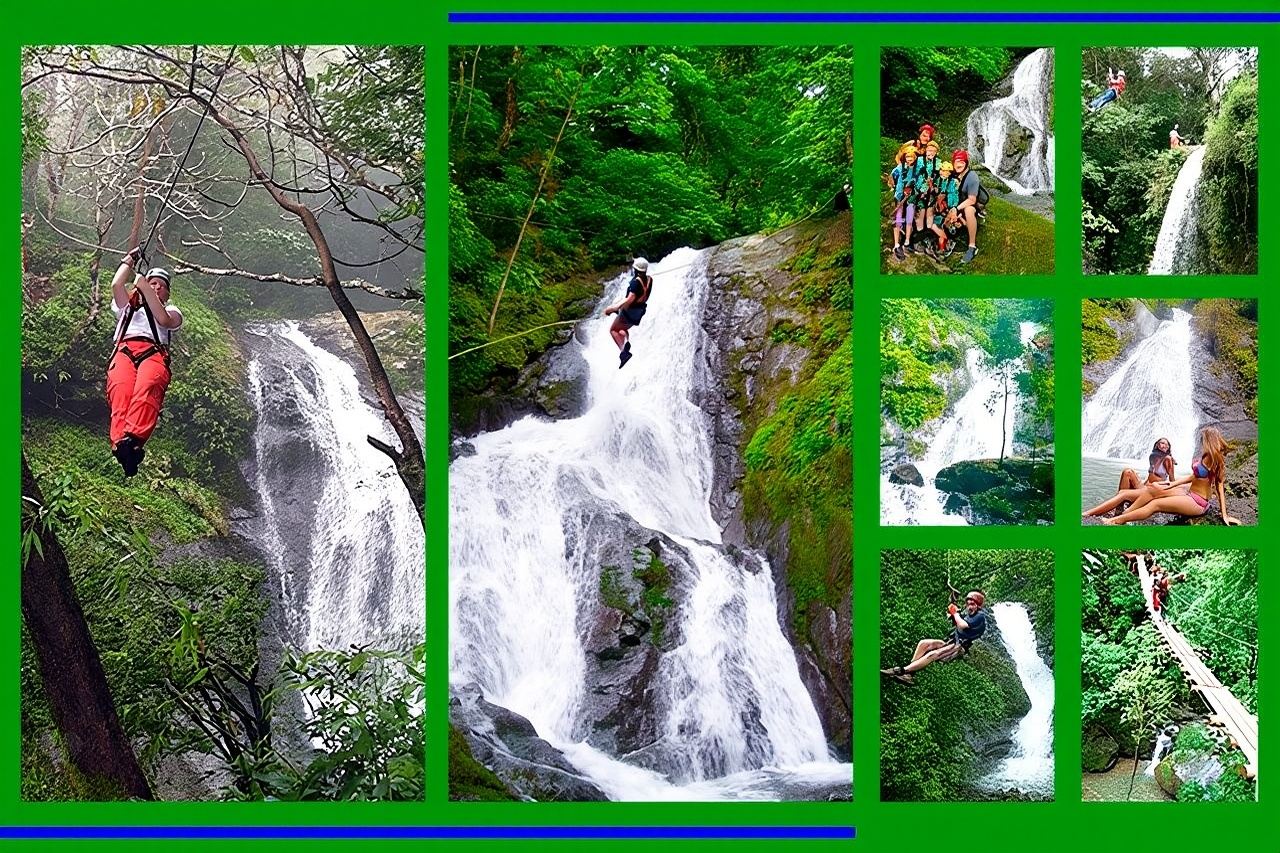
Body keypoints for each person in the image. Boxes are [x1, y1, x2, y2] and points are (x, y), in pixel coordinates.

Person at [106, 247, 184, 477]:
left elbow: (163, 319)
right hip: (125, 350)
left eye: (161, 285)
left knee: (147, 387)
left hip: (153, 353)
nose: (156, 286)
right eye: (153, 282)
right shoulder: (127, 307)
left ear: (167, 294)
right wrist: (129, 260)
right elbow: (116, 286)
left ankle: (134, 440)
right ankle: (121, 445)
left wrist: (144, 286)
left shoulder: (172, 310)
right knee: (121, 392)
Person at [1096, 427, 1241, 525]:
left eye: (1203, 439)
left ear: (1209, 440)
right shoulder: (1205, 455)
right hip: (1189, 492)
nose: (1201, 442)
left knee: (1155, 504)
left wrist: (1224, 515)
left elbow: (1219, 486)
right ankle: (1125, 514)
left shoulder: (1216, 459)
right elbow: (1194, 476)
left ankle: (1116, 521)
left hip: (1198, 502)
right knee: (1153, 491)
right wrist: (1171, 484)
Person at [881, 590, 988, 684]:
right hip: (951, 641)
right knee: (924, 644)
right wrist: (953, 614)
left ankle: (900, 671)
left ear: (978, 605)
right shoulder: (969, 615)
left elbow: (963, 625)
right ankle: (909, 674)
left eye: (972, 604)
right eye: (968, 604)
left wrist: (955, 613)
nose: (969, 607)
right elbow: (957, 622)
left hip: (959, 646)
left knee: (933, 654)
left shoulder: (980, 616)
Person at [603, 257, 653, 369]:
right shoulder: (649, 280)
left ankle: (624, 352)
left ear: (636, 269)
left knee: (613, 330)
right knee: (623, 329)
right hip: (638, 313)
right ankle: (626, 343)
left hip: (628, 312)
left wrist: (612, 308)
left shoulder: (636, 283)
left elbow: (629, 299)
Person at [951, 150, 985, 264]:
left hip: (969, 205)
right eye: (956, 161)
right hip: (955, 205)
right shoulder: (952, 174)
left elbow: (972, 199)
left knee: (969, 210)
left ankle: (972, 246)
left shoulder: (972, 177)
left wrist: (956, 209)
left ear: (966, 163)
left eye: (961, 161)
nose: (958, 164)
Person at [910, 139, 943, 254]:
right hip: (920, 192)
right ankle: (917, 240)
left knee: (930, 216)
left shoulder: (938, 163)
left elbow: (942, 176)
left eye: (933, 151)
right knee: (920, 215)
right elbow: (913, 174)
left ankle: (929, 239)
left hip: (932, 193)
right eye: (929, 150)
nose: (931, 153)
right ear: (926, 150)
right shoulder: (919, 160)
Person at [890, 146, 922, 260]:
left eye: (911, 157)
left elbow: (919, 182)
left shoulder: (918, 169)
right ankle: (896, 244)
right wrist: (895, 186)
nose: (909, 159)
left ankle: (907, 242)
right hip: (900, 196)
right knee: (898, 218)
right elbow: (892, 177)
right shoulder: (899, 168)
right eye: (907, 156)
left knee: (909, 218)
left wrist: (914, 190)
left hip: (911, 197)